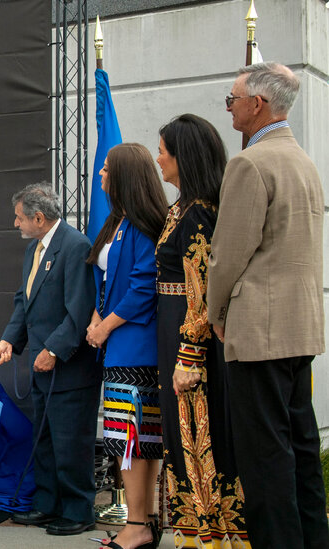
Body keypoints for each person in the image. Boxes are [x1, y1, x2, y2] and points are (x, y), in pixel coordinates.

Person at [208, 62, 328, 549]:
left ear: (257, 104)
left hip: (258, 331)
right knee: (300, 449)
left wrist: (215, 314)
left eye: (232, 98)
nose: (230, 107)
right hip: (301, 328)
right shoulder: (303, 160)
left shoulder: (250, 163)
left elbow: (228, 254)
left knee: (264, 459)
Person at [154, 114, 250, 547]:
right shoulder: (181, 208)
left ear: (183, 156)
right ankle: (193, 535)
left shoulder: (197, 214)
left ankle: (216, 536)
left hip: (191, 346)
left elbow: (203, 292)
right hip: (172, 333)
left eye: (163, 151)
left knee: (200, 440)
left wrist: (189, 357)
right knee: (180, 438)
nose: (158, 159)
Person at [0, 183, 100, 536]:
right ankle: (48, 504)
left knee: (71, 441)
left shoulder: (75, 246)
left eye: (20, 217)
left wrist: (53, 350)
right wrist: (10, 339)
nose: (15, 223)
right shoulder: (33, 251)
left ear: (39, 218)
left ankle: (78, 510)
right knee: (46, 440)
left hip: (68, 368)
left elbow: (80, 309)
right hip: (40, 366)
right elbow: (24, 303)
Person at [85, 144, 167, 549]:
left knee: (131, 439)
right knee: (134, 438)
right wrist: (97, 318)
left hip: (135, 346)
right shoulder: (119, 222)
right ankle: (143, 523)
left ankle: (137, 525)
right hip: (118, 342)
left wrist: (106, 326)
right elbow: (109, 284)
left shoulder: (142, 225)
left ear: (124, 176)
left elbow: (141, 288)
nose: (100, 175)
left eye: (105, 169)